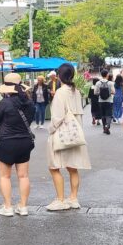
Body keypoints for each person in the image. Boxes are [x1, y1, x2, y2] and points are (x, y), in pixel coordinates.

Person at [47, 62, 91, 211]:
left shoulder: (60, 92)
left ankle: (60, 199)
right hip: (75, 133)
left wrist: (50, 130)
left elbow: (57, 117)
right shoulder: (76, 91)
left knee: (54, 167)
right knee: (72, 168)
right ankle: (73, 198)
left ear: (59, 75)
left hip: (61, 134)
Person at [0, 73, 35, 217]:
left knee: (5, 176)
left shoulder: (4, 103)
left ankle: (8, 207)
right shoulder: (29, 103)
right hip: (25, 142)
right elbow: (29, 120)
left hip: (7, 142)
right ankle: (23, 207)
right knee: (23, 176)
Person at [94, 70, 114, 135]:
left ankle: (104, 127)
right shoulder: (110, 83)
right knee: (109, 115)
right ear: (107, 75)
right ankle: (107, 126)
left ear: (101, 75)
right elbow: (114, 92)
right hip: (109, 101)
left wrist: (101, 93)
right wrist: (108, 93)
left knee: (103, 115)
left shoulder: (98, 83)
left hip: (101, 101)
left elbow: (95, 92)